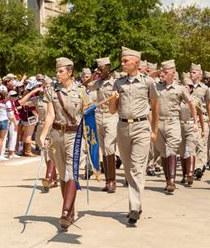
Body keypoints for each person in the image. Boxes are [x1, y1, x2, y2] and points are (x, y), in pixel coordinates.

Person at [38, 57, 92, 229]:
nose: (57, 74)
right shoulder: (52, 91)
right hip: (56, 134)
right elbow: (50, 115)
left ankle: (65, 211)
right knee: (62, 175)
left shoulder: (82, 91)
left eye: (60, 71)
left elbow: (89, 114)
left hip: (74, 136)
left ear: (70, 72)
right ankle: (71, 209)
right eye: (57, 71)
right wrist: (43, 135)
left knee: (71, 173)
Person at [108, 47, 159, 225]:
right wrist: (113, 98)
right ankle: (136, 202)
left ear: (136, 63)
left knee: (138, 167)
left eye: (125, 61)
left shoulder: (148, 82)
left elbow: (155, 105)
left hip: (141, 127)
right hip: (122, 126)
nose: (122, 64)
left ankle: (134, 207)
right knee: (129, 168)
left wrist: (155, 129)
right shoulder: (118, 83)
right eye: (122, 61)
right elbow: (112, 110)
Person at [154, 60, 197, 192]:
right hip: (159, 123)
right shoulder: (156, 87)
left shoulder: (180, 88)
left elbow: (191, 104)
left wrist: (195, 121)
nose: (163, 74)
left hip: (173, 122)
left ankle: (171, 180)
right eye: (162, 72)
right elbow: (147, 79)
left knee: (171, 149)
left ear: (173, 73)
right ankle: (168, 179)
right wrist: (157, 71)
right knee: (163, 152)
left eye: (166, 72)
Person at [87, 57, 119, 193]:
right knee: (103, 150)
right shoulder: (98, 82)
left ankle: (112, 181)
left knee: (109, 147)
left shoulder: (116, 82)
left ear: (109, 67)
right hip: (98, 115)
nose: (101, 71)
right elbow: (85, 85)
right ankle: (107, 181)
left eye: (103, 68)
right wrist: (94, 75)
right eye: (99, 68)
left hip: (111, 115)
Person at [20, 79, 57, 192]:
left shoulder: (56, 98)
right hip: (41, 127)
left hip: (53, 127)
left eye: (46, 86)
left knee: (51, 153)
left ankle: (49, 177)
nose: (44, 89)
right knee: (46, 155)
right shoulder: (38, 100)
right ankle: (53, 178)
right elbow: (22, 102)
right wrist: (32, 91)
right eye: (42, 86)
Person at [189, 64, 210, 179]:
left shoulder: (205, 88)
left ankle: (199, 167)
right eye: (191, 72)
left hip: (202, 118)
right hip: (188, 119)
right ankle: (194, 166)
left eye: (194, 72)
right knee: (192, 144)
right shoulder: (185, 87)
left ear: (200, 74)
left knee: (202, 143)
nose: (191, 74)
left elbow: (209, 105)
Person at [179, 76, 204, 186]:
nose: (184, 88)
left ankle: (190, 173)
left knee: (190, 150)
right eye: (183, 86)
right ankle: (184, 174)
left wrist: (201, 128)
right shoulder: (177, 99)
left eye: (187, 87)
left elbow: (200, 115)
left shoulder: (195, 100)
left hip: (191, 127)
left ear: (191, 89)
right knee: (182, 152)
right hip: (179, 127)